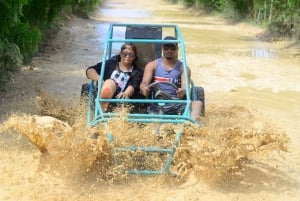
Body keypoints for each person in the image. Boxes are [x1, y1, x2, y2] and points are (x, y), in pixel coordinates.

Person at [140, 36, 204, 121]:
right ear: (162, 48)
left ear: (177, 49)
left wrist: (183, 91)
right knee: (155, 128)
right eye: (166, 48)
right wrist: (144, 88)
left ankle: (191, 126)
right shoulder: (152, 65)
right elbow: (144, 82)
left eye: (172, 48)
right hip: (157, 104)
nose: (169, 50)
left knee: (197, 104)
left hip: (177, 104)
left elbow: (185, 86)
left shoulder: (183, 68)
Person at [86, 43, 143, 111]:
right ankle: (103, 105)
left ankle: (109, 110)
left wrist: (126, 93)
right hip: (105, 89)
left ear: (134, 57)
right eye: (125, 53)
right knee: (110, 83)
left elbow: (133, 85)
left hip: (121, 98)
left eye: (131, 54)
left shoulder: (137, 72)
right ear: (121, 54)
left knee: (124, 103)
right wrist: (99, 79)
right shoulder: (110, 64)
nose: (127, 56)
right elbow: (90, 70)